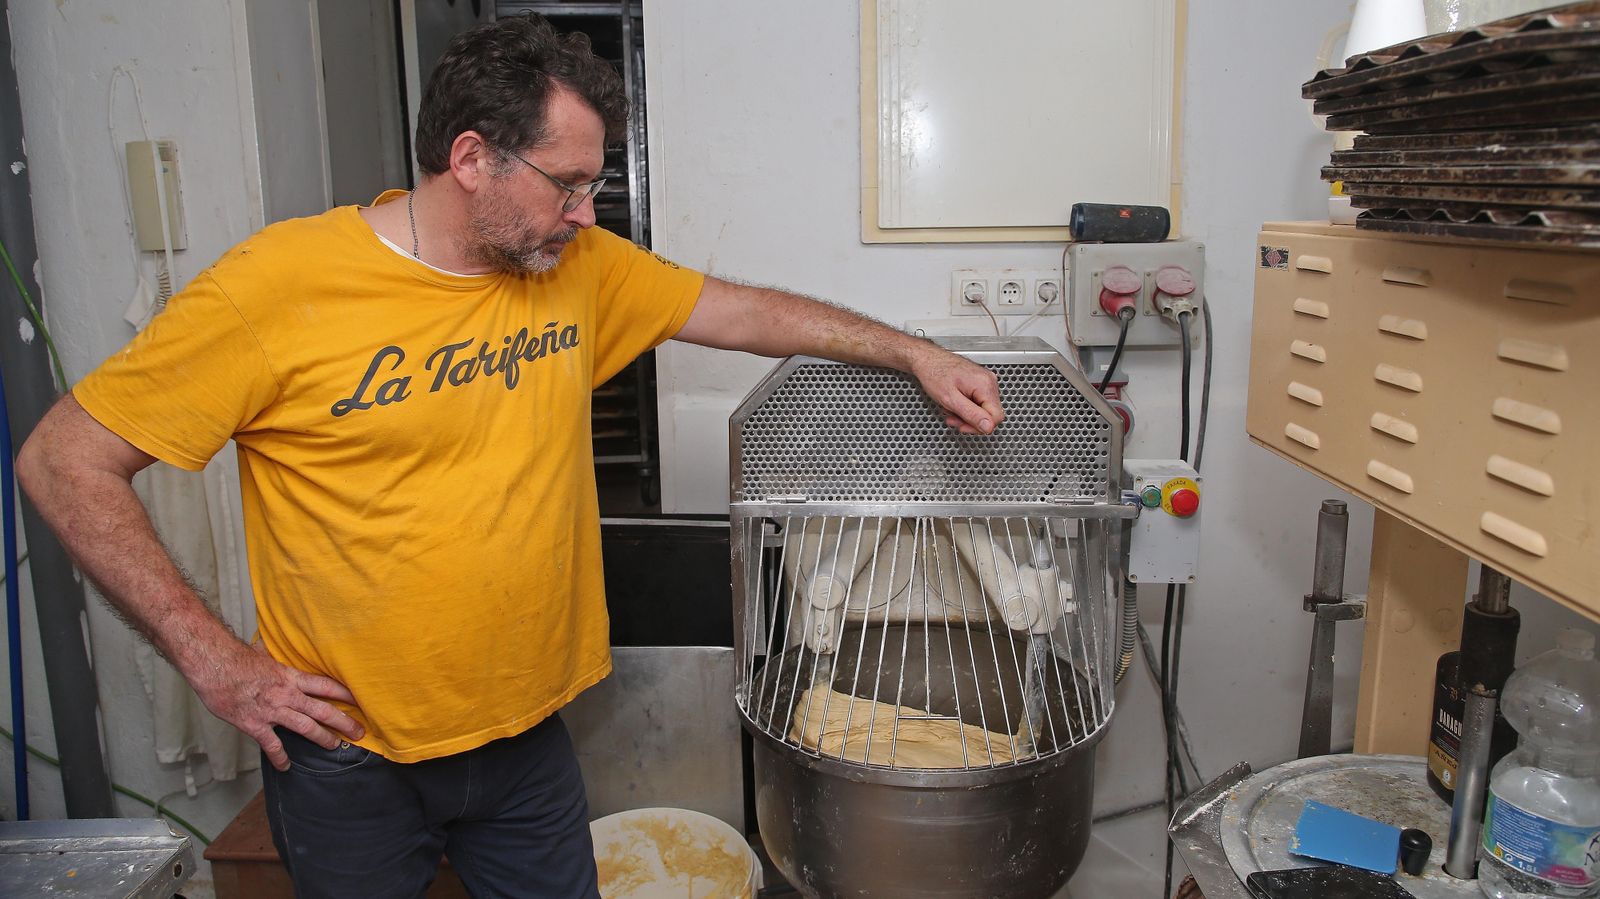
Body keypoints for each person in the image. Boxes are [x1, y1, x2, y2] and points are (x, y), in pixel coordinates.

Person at [17, 13, 1003, 899]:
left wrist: (913, 351)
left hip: (526, 740)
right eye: (566, 184)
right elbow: (63, 460)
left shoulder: (576, 269)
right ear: (472, 157)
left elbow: (743, 312)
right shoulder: (276, 287)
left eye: (592, 184)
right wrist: (217, 663)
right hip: (351, 756)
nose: (586, 213)